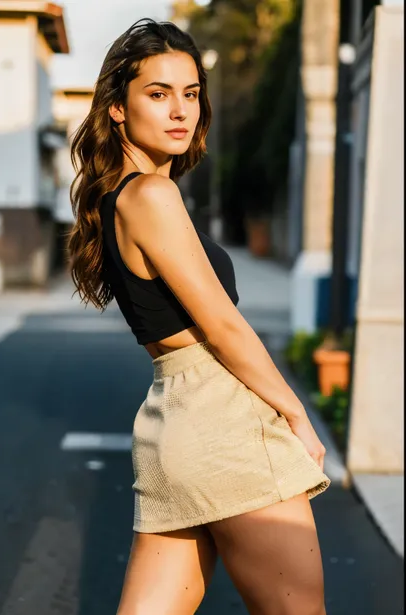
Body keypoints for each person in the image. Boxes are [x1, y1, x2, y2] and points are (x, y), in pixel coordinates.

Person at [68, 18, 331, 615]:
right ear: (117, 107)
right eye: (157, 94)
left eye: (190, 94)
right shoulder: (152, 197)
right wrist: (298, 416)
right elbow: (224, 327)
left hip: (172, 422)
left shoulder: (122, 199)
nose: (180, 111)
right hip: (223, 421)